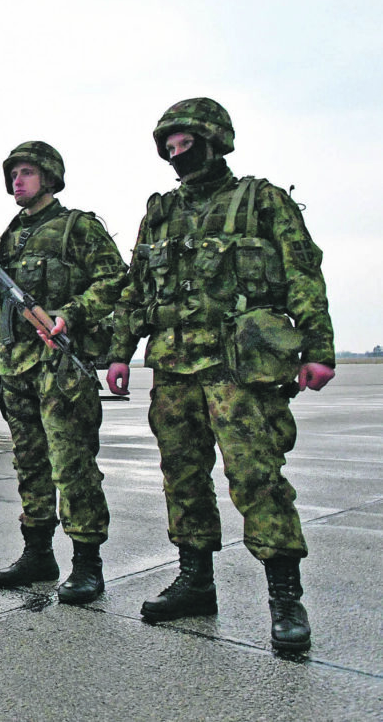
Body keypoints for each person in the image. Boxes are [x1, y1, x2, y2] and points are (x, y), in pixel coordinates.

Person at [106, 97, 336, 653]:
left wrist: (319, 347)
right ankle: (195, 582)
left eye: (184, 142)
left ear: (214, 141)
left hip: (240, 370)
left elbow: (304, 273)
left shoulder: (261, 201)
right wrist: (119, 351)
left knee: (257, 479)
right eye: (168, 145)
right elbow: (136, 290)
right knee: (182, 478)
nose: (174, 152)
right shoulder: (160, 213)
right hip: (175, 369)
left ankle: (284, 599)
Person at [0, 141, 127, 604]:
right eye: (13, 174)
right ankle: (37, 552)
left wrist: (73, 314)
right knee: (30, 463)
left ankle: (87, 564)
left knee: (73, 465)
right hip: (16, 369)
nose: (17, 181)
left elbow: (116, 279)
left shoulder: (76, 228)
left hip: (60, 368)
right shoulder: (7, 236)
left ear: (49, 176)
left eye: (26, 172)